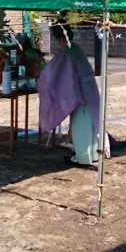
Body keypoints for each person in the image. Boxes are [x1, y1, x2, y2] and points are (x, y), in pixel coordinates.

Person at [38, 21, 109, 166]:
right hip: (89, 90)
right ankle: (93, 153)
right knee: (93, 123)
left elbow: (54, 73)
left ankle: (82, 157)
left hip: (82, 93)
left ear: (61, 38)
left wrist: (41, 77)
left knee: (81, 126)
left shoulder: (68, 52)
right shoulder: (76, 49)